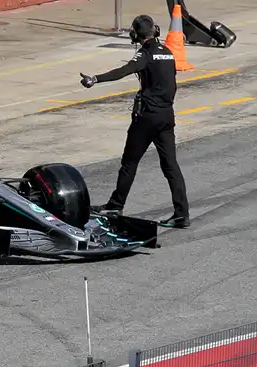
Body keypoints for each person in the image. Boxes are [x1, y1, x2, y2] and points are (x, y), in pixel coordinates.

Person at [79, 14, 190, 228]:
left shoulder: (145, 54)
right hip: (166, 116)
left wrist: (95, 79)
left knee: (129, 162)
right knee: (171, 166)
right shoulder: (168, 52)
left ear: (136, 35)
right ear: (155, 31)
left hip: (147, 117)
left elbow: (124, 71)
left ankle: (115, 205)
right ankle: (181, 213)